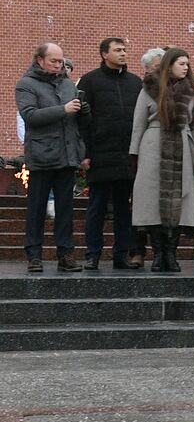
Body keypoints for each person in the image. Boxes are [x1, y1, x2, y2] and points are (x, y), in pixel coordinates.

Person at [130, 48, 194, 272]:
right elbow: (139, 123)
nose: (186, 67)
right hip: (153, 146)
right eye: (181, 63)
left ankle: (171, 254)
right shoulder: (149, 89)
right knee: (153, 201)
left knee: (181, 201)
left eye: (187, 64)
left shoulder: (192, 90)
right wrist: (134, 154)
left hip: (183, 146)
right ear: (169, 64)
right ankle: (158, 253)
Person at [16, 42, 89, 272]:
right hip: (41, 156)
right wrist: (64, 109)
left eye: (61, 61)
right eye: (54, 61)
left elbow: (76, 122)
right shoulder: (26, 85)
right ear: (40, 60)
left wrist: (83, 112)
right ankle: (34, 255)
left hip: (67, 156)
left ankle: (65, 254)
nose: (59, 65)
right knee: (36, 208)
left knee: (65, 209)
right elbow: (31, 116)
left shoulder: (68, 84)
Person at [77, 37, 143, 270]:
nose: (124, 54)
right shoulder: (90, 81)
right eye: (118, 50)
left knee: (124, 209)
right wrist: (84, 153)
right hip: (100, 155)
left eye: (125, 50)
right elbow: (82, 121)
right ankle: (92, 254)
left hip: (127, 156)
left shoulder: (136, 83)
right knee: (97, 207)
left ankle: (121, 254)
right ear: (105, 54)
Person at [127, 47, 165, 268]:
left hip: (161, 149)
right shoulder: (140, 87)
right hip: (141, 149)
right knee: (140, 203)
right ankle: (137, 250)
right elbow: (138, 122)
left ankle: (161, 251)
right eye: (157, 66)